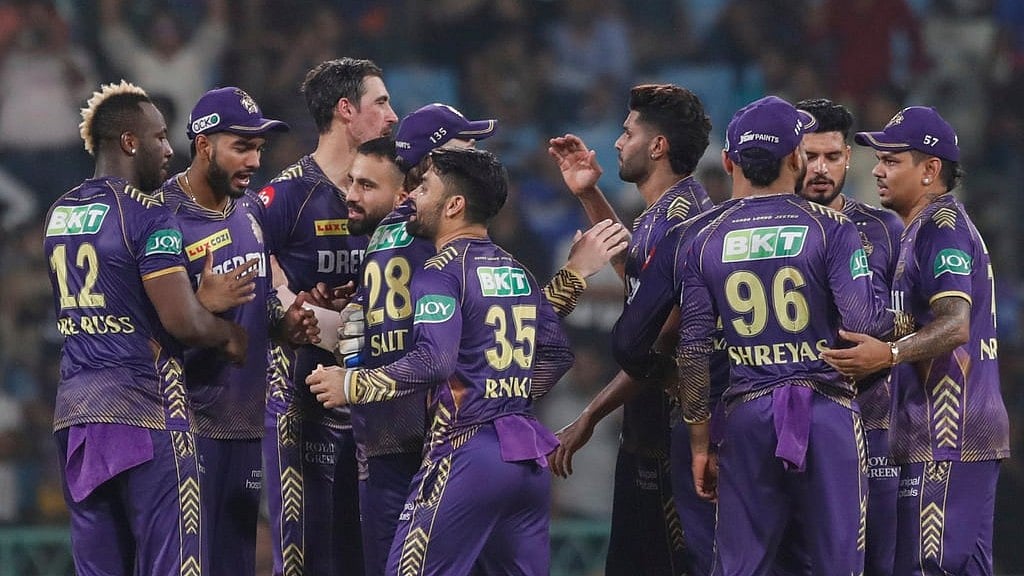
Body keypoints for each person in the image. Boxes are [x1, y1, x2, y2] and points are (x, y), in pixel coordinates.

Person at [345, 106, 628, 576]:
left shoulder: (408, 237)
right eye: (466, 145)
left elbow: (460, 340)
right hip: (421, 442)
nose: (478, 153)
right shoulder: (428, 240)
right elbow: (495, 332)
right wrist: (573, 278)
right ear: (435, 163)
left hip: (441, 440)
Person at [307, 147, 575, 575]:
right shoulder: (517, 269)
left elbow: (435, 360)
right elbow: (558, 354)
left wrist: (352, 384)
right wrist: (499, 398)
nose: (413, 195)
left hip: (464, 453)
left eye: (425, 187)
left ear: (454, 205)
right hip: (526, 461)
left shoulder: (440, 272)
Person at [676, 95, 895, 576]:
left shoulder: (704, 237)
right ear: (795, 157)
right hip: (825, 413)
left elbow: (692, 351)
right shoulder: (833, 227)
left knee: (739, 567)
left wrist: (699, 444)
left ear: (732, 160)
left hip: (746, 415)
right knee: (838, 565)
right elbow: (864, 323)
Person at [43, 80, 246, 575]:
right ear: (130, 142)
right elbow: (184, 323)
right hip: (145, 410)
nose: (169, 149)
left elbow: (118, 299)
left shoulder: (59, 214)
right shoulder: (147, 215)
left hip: (77, 414)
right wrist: (228, 334)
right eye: (159, 137)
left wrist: (193, 302)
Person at [822, 106, 1010, 576]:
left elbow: (955, 324)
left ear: (930, 170)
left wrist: (885, 354)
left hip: (946, 435)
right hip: (950, 434)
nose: (878, 171)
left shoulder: (940, 229)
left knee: (931, 567)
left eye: (892, 160)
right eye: (879, 160)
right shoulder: (919, 230)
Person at [547, 83, 714, 575]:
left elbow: (661, 345)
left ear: (657, 146)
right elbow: (640, 279)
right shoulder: (661, 215)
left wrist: (588, 416)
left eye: (627, 132)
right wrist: (589, 194)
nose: (618, 143)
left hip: (672, 438)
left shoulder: (686, 221)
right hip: (649, 433)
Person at [159, 86, 319, 576]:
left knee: (234, 564)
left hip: (246, 423)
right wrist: (199, 304)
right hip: (184, 426)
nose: (253, 159)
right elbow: (138, 325)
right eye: (241, 147)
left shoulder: (249, 210)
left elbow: (261, 301)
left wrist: (285, 322)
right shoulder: (159, 215)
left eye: (259, 148)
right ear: (204, 144)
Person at [258, 57, 398, 576]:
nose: (392, 115)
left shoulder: (396, 197)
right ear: (346, 110)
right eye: (381, 102)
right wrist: (285, 299)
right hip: (301, 404)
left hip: (374, 403)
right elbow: (242, 262)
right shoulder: (286, 195)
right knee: (303, 559)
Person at [794, 97, 904, 576]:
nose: (820, 168)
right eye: (809, 156)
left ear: (849, 159)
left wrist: (889, 340)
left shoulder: (884, 228)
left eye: (832, 157)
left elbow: (914, 316)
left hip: (875, 423)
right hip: (795, 421)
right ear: (789, 157)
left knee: (879, 562)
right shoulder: (769, 227)